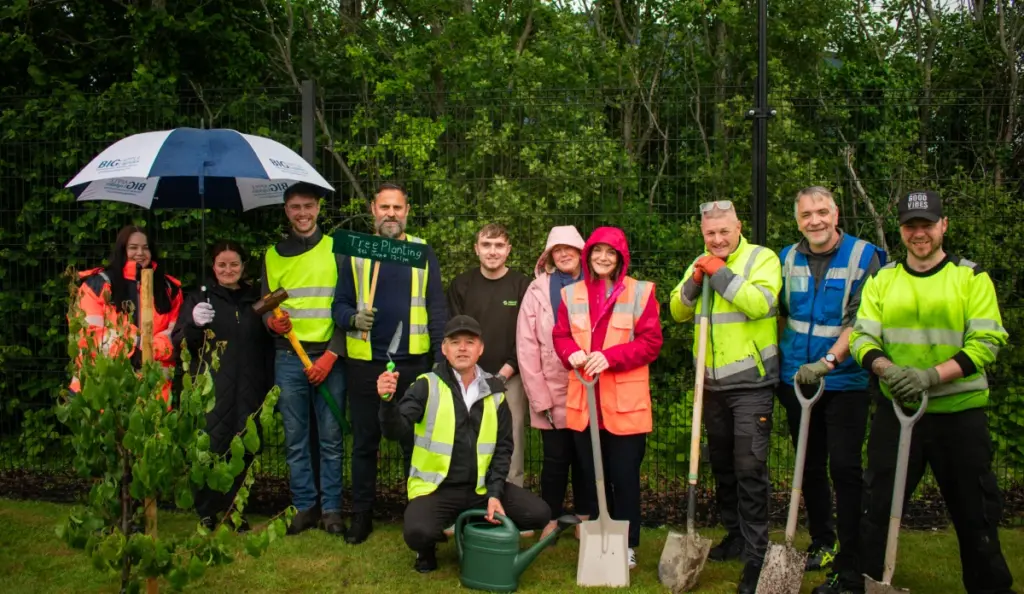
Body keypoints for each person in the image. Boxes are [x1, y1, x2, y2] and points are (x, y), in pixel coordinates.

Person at [850, 190, 1014, 594]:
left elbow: (986, 343)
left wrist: (930, 376)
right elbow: (861, 338)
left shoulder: (970, 277)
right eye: (910, 226)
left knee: (975, 512)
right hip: (898, 411)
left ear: (943, 226)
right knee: (880, 507)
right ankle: (870, 582)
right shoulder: (882, 279)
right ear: (901, 230)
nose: (918, 233)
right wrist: (887, 371)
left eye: (927, 225)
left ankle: (989, 587)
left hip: (959, 413)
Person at [377, 315, 551, 573]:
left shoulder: (494, 390)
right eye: (454, 342)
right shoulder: (426, 385)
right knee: (417, 532)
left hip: (480, 489)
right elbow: (396, 430)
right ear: (444, 349)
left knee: (539, 513)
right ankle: (427, 549)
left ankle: (471, 527)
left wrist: (494, 494)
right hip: (436, 489)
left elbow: (504, 449)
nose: (462, 348)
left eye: (469, 342)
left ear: (480, 349)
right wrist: (387, 402)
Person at [668, 200, 781, 594]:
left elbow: (760, 304)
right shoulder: (700, 261)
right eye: (710, 234)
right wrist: (697, 280)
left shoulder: (762, 259)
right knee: (723, 467)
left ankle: (756, 555)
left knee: (750, 470)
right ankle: (735, 537)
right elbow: (677, 310)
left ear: (738, 228)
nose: (717, 240)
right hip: (710, 387)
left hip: (751, 383)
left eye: (723, 232)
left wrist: (719, 273)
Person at [776, 187, 884, 592]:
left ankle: (850, 556)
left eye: (822, 212)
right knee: (808, 464)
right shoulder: (788, 258)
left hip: (843, 381)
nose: (815, 221)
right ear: (798, 220)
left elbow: (862, 319)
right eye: (806, 215)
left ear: (836, 213)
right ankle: (822, 540)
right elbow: (784, 315)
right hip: (797, 380)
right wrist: (790, 367)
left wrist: (827, 363)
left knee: (844, 467)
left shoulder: (863, 256)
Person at [332, 182, 447, 545]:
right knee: (365, 441)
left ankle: (420, 514)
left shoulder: (421, 252)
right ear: (373, 210)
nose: (391, 214)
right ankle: (362, 515)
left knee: (415, 443)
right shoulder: (355, 254)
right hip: (367, 362)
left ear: (407, 211)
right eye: (385, 207)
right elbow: (338, 306)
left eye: (397, 208)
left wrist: (441, 357)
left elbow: (437, 308)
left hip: (413, 362)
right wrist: (353, 319)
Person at [552, 226, 663, 570]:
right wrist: (570, 352)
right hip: (585, 403)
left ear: (620, 258)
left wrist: (610, 357)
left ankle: (627, 543)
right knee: (593, 474)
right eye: (597, 252)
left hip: (623, 405)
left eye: (610, 253)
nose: (602, 258)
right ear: (588, 256)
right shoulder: (572, 294)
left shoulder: (640, 293)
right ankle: (602, 539)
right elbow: (560, 335)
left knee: (624, 476)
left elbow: (651, 342)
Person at [261, 182, 347, 537]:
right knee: (296, 438)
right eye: (295, 207)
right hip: (289, 356)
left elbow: (348, 308)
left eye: (308, 206)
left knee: (330, 437)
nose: (302, 213)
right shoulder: (272, 254)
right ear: (286, 211)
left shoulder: (337, 250)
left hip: (330, 357)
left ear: (318, 209)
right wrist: (272, 323)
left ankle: (331, 509)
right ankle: (304, 506)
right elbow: (266, 307)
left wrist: (331, 354)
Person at [172, 241, 274, 533]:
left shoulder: (255, 299)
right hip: (211, 389)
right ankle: (206, 510)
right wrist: (193, 324)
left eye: (234, 264)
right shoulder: (199, 298)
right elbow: (180, 342)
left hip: (250, 387)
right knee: (209, 447)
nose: (228, 270)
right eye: (222, 265)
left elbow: (267, 343)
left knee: (242, 449)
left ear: (243, 266)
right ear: (213, 267)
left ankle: (236, 510)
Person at [516, 225, 594, 539]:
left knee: (585, 456)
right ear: (548, 256)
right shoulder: (537, 290)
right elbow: (526, 344)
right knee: (555, 457)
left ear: (581, 252)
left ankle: (585, 516)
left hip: (588, 385)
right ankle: (548, 517)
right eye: (556, 250)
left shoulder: (596, 285)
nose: (563, 254)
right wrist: (539, 397)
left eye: (569, 249)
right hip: (550, 387)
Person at [446, 223, 531, 488]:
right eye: (486, 245)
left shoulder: (523, 285)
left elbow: (528, 334)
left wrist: (507, 370)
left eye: (498, 246)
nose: (492, 251)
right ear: (476, 249)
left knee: (512, 440)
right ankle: (472, 503)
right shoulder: (461, 285)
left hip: (511, 378)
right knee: (467, 439)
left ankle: (511, 503)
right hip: (468, 377)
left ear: (508, 250)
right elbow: (452, 334)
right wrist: (471, 372)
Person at [70, 224, 183, 403]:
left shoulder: (169, 289)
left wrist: (148, 349)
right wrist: (136, 344)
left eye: (145, 247)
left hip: (155, 391)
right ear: (122, 250)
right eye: (133, 247)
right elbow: (89, 336)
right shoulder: (98, 285)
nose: (140, 252)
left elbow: (175, 334)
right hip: (104, 390)